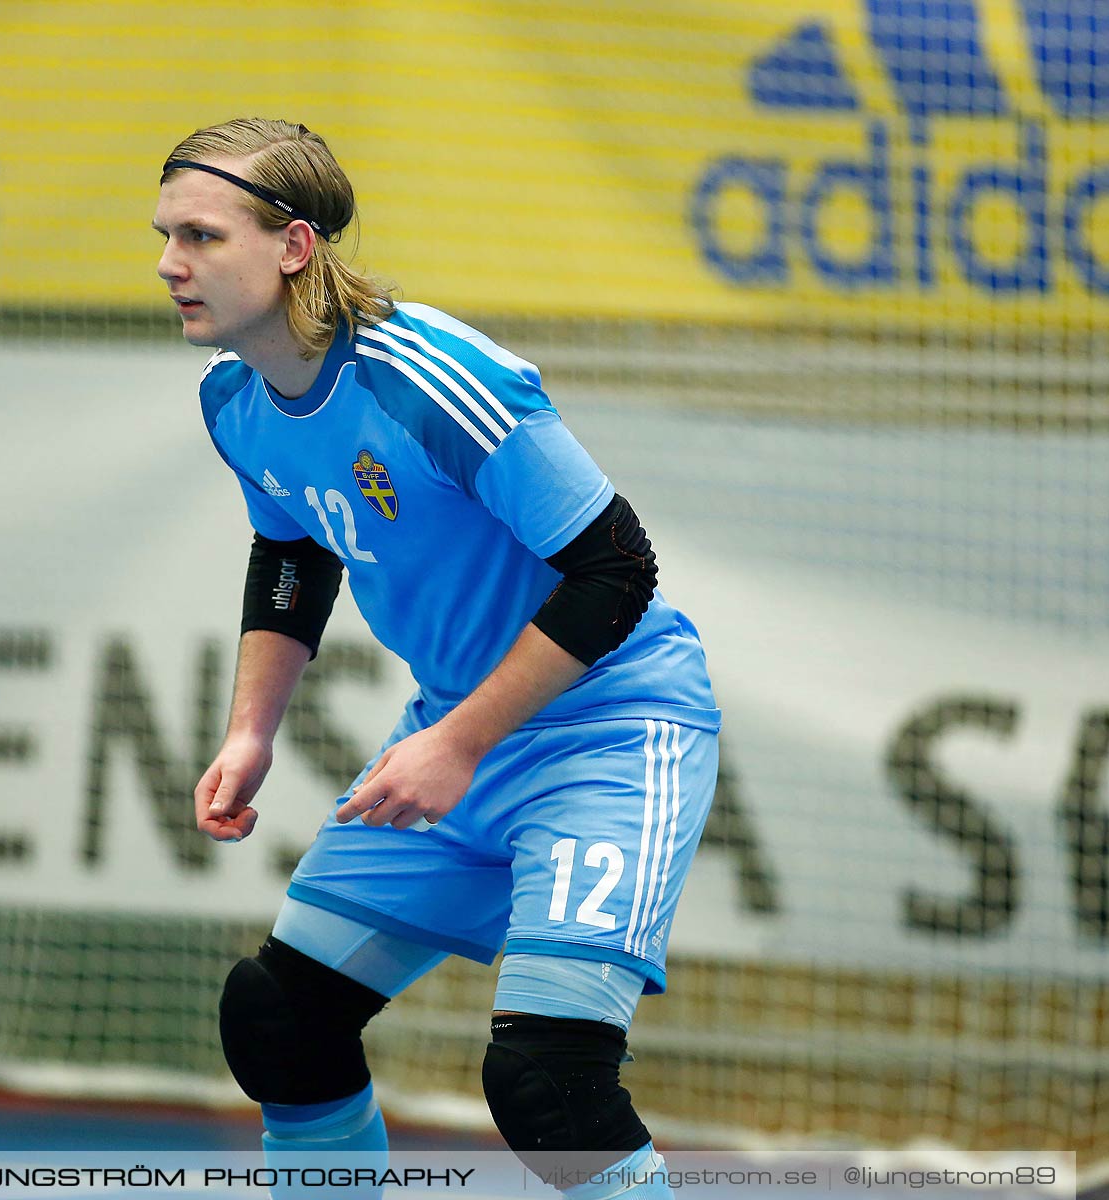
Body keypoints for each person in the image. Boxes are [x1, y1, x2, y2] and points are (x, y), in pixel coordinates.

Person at [157, 118, 720, 1200]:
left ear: (293, 246)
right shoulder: (236, 399)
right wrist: (251, 731)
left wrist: (457, 743)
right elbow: (292, 549)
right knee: (279, 1017)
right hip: (458, 731)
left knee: (549, 1087)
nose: (170, 264)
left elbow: (616, 568)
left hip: (608, 730)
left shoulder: (431, 376)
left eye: (199, 235)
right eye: (164, 235)